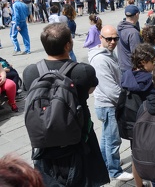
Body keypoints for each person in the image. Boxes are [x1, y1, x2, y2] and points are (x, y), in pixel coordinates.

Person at [22, 23, 110, 186]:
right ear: (68, 45)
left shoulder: (30, 72)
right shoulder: (83, 71)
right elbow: (90, 89)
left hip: (44, 146)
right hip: (78, 142)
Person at [88, 25, 134, 182]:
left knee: (107, 137)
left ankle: (105, 163)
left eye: (115, 38)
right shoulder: (100, 59)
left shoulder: (108, 53)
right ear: (101, 38)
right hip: (108, 104)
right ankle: (114, 171)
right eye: (109, 39)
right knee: (113, 139)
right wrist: (126, 101)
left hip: (107, 103)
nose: (113, 42)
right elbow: (110, 89)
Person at [121, 43, 155, 187]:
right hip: (148, 122)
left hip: (131, 123)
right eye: (153, 62)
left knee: (136, 156)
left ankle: (139, 184)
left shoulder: (127, 75)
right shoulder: (149, 80)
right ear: (143, 62)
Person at [118, 5, 142, 72]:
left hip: (122, 64)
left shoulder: (120, 27)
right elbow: (136, 53)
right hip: (131, 68)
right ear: (137, 14)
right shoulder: (133, 33)